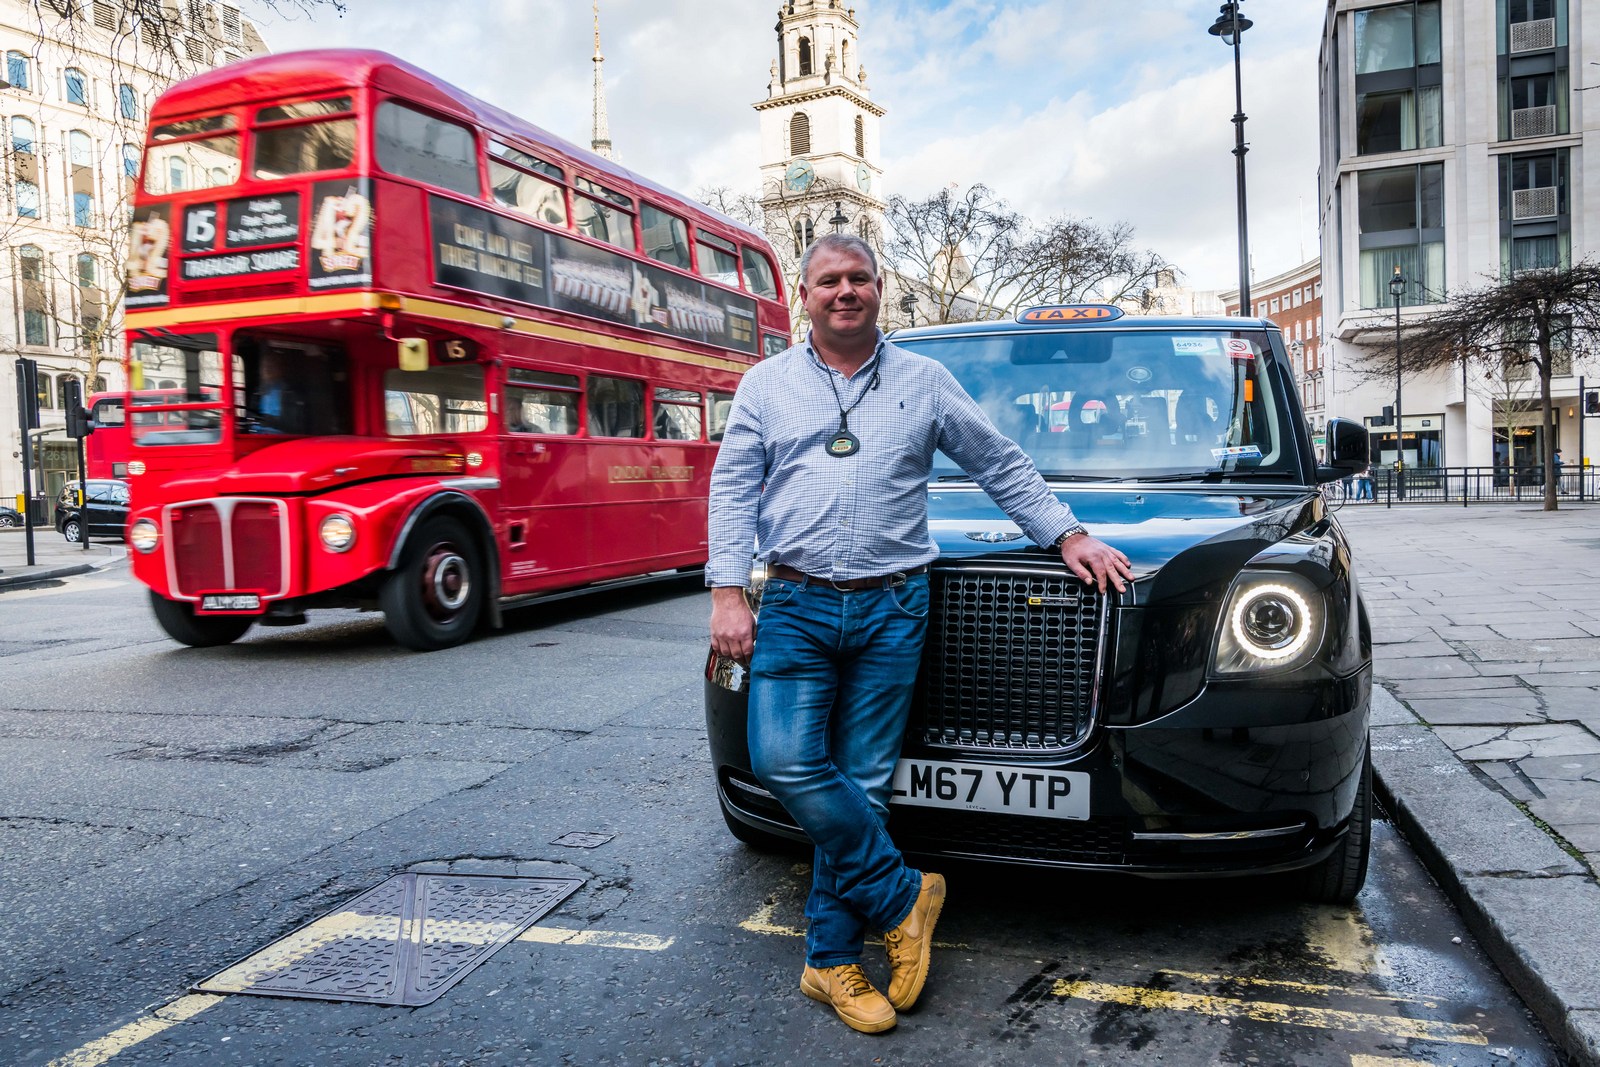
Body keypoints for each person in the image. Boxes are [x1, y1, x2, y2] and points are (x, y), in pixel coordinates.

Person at [706, 234, 1132, 1034]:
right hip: (794, 602)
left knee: (862, 784)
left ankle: (829, 961)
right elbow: (732, 489)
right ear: (804, 295)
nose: (845, 290)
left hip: (892, 606)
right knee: (784, 760)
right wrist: (728, 590)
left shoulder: (924, 380)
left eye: (858, 277)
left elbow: (999, 462)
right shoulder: (766, 385)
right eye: (828, 279)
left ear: (879, 288)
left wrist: (1067, 534)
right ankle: (906, 894)